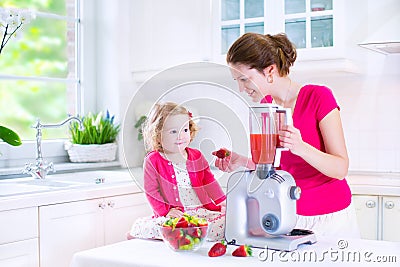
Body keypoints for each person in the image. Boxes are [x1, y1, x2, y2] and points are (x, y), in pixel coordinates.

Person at [214, 32, 360, 238]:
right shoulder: (266, 106)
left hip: (330, 218)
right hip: (289, 213)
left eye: (245, 79)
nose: (241, 88)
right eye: (237, 80)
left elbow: (340, 168)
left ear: (270, 70)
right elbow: (278, 168)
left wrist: (300, 147)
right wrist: (241, 161)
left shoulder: (318, 97)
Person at [128, 102, 226, 241]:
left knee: (223, 223)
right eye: (173, 131)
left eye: (185, 130)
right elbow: (151, 191)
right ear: (158, 134)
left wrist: (222, 201)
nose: (180, 136)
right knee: (165, 227)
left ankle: (189, 235)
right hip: (175, 214)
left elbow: (209, 181)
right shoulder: (153, 160)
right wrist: (166, 212)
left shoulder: (196, 156)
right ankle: (144, 232)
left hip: (200, 211)